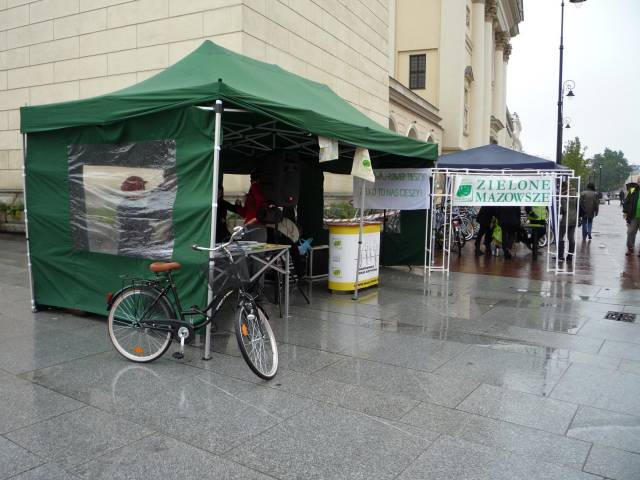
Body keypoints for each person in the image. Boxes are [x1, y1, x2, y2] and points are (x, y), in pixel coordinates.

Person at [116, 175, 152, 257]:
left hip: (139, 242)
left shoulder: (139, 203)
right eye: (140, 189)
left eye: (143, 189)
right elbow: (131, 224)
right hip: (131, 243)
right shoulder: (126, 205)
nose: (143, 192)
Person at [558, 184, 578, 264]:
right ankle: (570, 256)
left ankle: (560, 255)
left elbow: (564, 210)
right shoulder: (576, 197)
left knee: (560, 237)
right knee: (571, 237)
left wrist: (560, 210)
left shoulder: (564, 197)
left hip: (565, 220)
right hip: (573, 220)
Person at [622, 179, 640, 256]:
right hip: (633, 215)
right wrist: (625, 212)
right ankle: (630, 248)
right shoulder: (633, 190)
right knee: (631, 231)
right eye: (639, 181)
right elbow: (627, 201)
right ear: (638, 182)